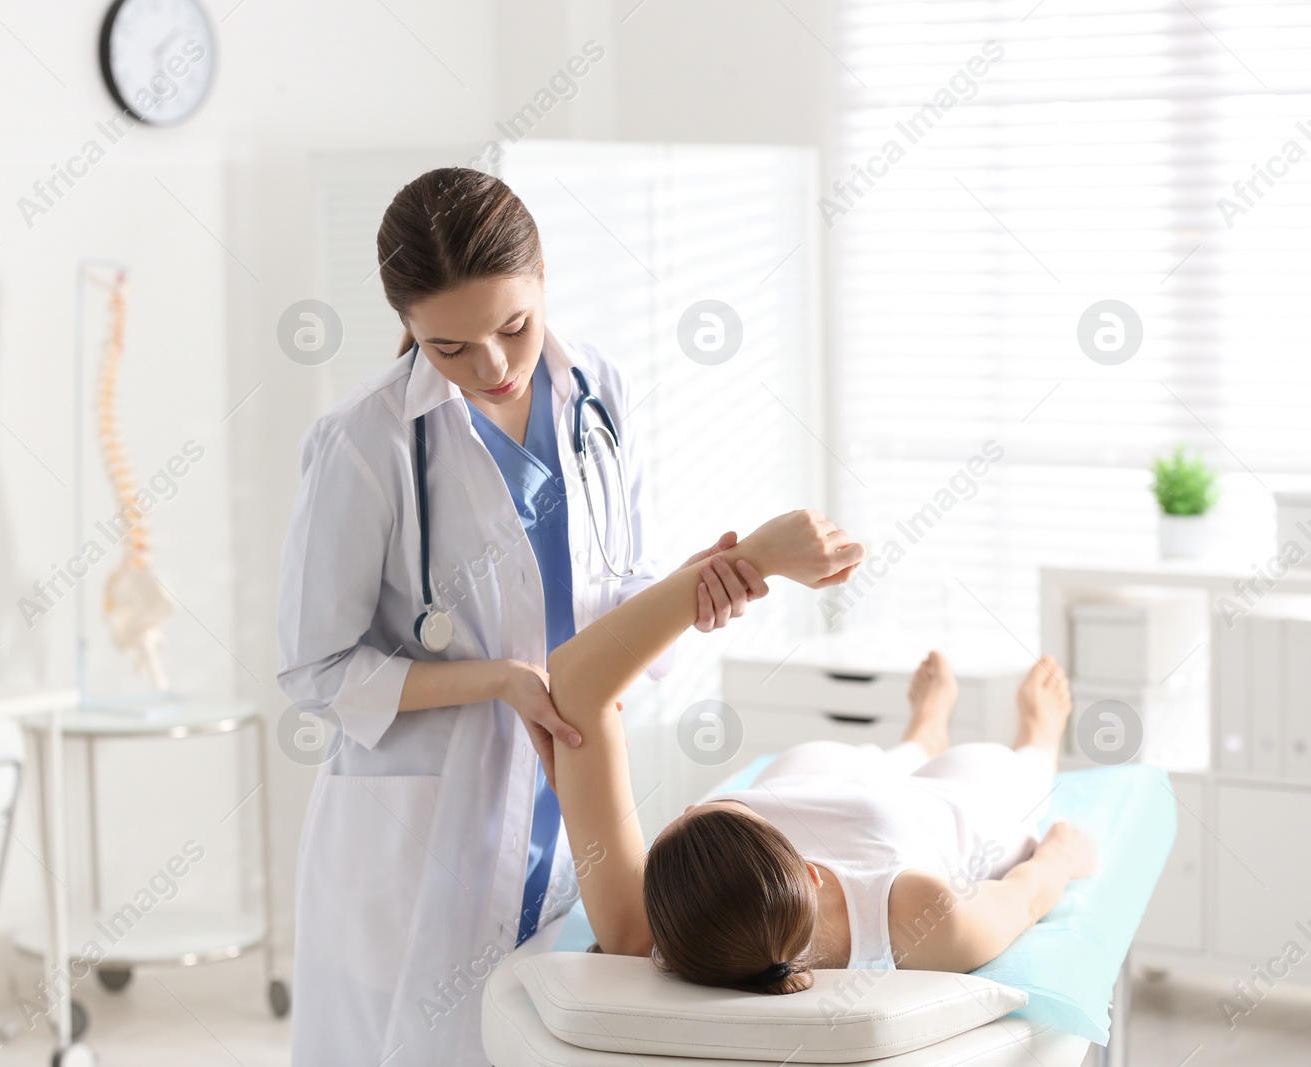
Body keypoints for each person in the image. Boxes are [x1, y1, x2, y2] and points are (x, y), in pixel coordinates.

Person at [277, 167, 810, 1067]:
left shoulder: (595, 389)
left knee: (549, 1038)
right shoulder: (361, 443)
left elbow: (616, 579)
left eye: (513, 326)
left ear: (545, 277)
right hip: (425, 832)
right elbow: (315, 672)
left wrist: (686, 593)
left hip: (565, 802)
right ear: (405, 324)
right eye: (448, 348)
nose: (491, 366)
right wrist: (498, 682)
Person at [544, 514, 1097, 990]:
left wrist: (742, 564)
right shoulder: (917, 915)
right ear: (808, 874)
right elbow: (1023, 900)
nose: (688, 811)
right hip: (920, 818)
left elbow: (574, 686)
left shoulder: (640, 926)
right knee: (1010, 769)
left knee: (882, 757)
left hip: (806, 782)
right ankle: (1030, 732)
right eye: (715, 810)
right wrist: (1061, 858)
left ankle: (921, 735)